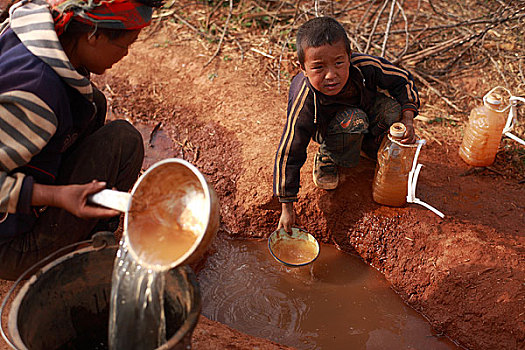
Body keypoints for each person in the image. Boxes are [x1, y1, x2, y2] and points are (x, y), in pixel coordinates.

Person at [0, 0, 163, 280]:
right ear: (93, 34)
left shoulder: (35, 24)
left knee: (92, 103)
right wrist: (58, 197)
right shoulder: (35, 94)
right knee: (124, 141)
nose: (125, 54)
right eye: (123, 46)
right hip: (8, 247)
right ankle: (84, 248)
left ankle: (86, 222)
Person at [273, 17, 419, 232]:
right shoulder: (304, 97)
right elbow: (289, 150)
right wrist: (287, 207)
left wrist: (407, 118)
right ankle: (327, 156)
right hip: (330, 127)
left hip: (364, 110)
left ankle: (368, 146)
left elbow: (402, 80)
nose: (331, 75)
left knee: (391, 111)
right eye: (318, 68)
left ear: (349, 57)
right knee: (354, 120)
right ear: (302, 68)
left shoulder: (364, 66)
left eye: (339, 63)